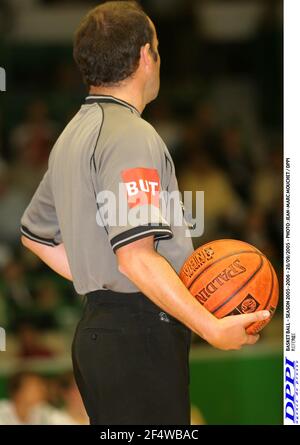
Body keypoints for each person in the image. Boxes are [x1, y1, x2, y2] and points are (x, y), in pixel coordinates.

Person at [20, 1, 270, 425]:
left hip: (103, 329)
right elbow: (135, 256)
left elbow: (36, 235)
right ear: (143, 56)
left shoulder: (72, 135)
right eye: (156, 46)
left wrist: (99, 274)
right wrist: (211, 327)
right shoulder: (129, 133)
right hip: (138, 334)